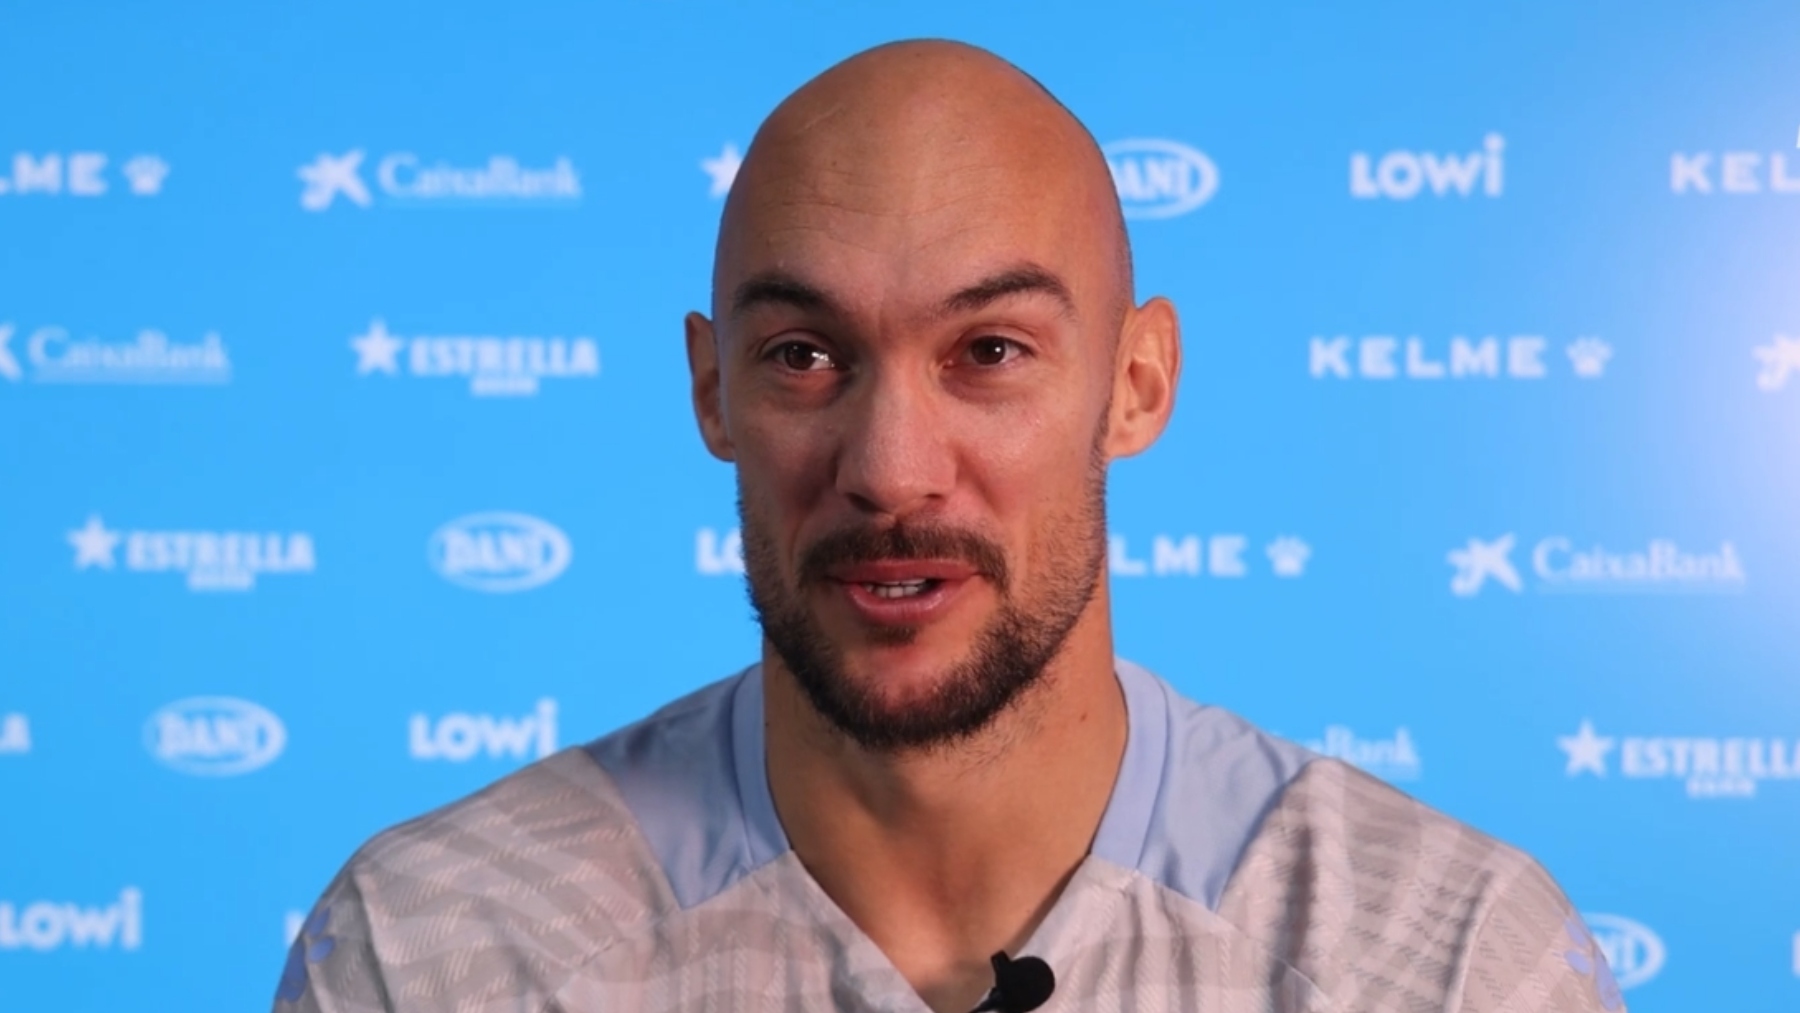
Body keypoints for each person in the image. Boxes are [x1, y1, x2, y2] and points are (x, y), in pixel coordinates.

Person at [276, 40, 1622, 1013]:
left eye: (989, 351)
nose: (891, 471)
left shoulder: (1442, 967)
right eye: (805, 356)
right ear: (713, 392)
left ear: (1136, 385)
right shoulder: (439, 951)